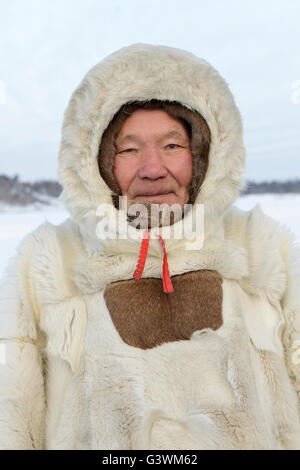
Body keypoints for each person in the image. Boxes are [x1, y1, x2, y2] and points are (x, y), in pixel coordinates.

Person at [0, 43, 300, 450]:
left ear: (204, 155)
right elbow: (10, 417)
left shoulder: (265, 248)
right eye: (129, 148)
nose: (153, 169)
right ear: (98, 161)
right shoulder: (47, 261)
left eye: (172, 145)